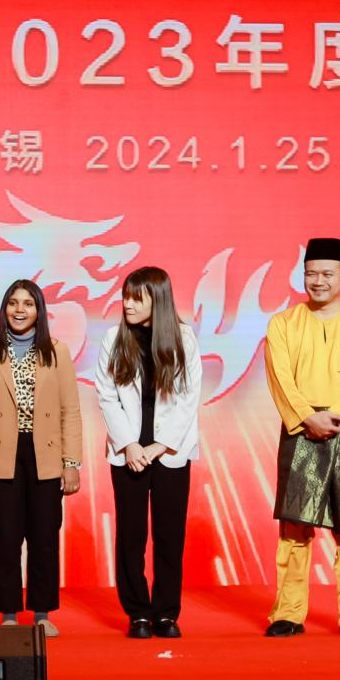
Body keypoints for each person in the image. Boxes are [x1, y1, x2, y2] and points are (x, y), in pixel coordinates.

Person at [263, 237, 340, 639]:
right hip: (301, 429)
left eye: (327, 274)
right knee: (295, 524)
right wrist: (307, 417)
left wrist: (339, 417)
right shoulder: (282, 324)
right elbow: (281, 379)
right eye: (311, 273)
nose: (318, 281)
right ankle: (288, 612)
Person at [0, 280, 82, 636]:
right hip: (3, 453)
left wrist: (71, 463)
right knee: (5, 536)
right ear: (4, 309)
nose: (19, 310)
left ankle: (42, 614)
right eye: (13, 303)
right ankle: (9, 615)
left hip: (45, 452)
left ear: (39, 310)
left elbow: (70, 410)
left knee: (44, 535)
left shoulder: (57, 351)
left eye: (28, 304)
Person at [95, 267, 202, 639]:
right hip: (128, 452)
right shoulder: (114, 338)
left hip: (171, 451)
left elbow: (189, 398)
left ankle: (166, 613)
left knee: (170, 535)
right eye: (125, 296)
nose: (127, 304)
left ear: (158, 300)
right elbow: (106, 395)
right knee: (131, 535)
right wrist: (129, 444)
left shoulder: (184, 339)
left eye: (136, 298)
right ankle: (138, 613)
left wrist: (160, 445)